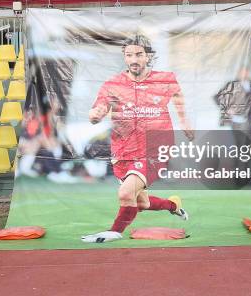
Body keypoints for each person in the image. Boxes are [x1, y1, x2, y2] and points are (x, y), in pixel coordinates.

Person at [81, 34, 195, 243]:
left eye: (139, 54)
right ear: (124, 57)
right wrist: (95, 115)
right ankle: (173, 205)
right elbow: (99, 107)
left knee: (125, 194)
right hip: (123, 150)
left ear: (148, 56)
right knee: (139, 202)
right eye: (129, 55)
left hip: (155, 147)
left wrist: (184, 121)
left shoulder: (165, 78)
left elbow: (178, 96)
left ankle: (114, 232)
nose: (134, 59)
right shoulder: (112, 84)